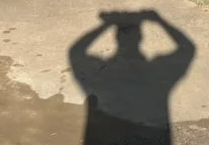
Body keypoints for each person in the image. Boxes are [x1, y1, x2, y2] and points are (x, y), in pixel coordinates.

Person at [69, 9, 195, 145]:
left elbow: (76, 52)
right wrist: (160, 21)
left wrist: (106, 24)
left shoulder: (101, 75)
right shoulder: (157, 75)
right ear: (141, 39)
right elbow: (188, 48)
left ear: (116, 39)